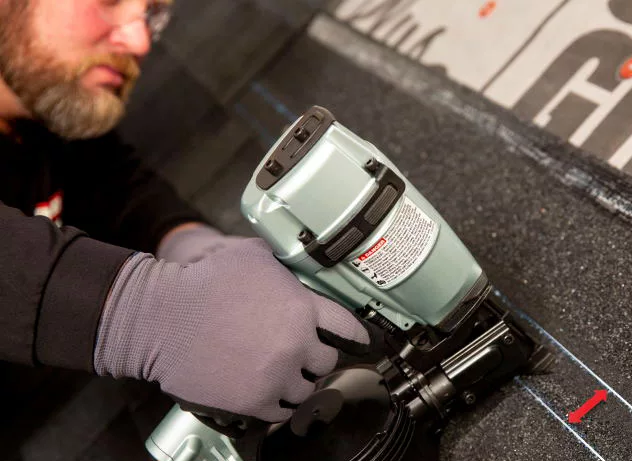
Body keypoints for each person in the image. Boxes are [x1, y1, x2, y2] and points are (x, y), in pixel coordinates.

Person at [0, 0, 371, 423]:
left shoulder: (47, 109)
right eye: (109, 2)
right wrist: (138, 312)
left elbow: (113, 183)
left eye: (152, 15)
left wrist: (191, 244)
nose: (139, 41)